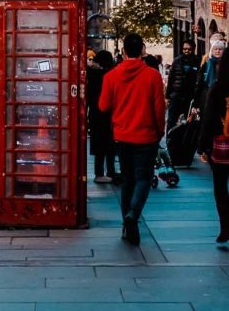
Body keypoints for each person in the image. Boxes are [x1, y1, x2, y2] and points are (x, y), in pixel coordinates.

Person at [99, 31, 165, 245]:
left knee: (128, 180)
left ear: (124, 51)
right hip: (146, 136)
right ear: (142, 50)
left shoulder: (111, 76)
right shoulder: (153, 75)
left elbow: (103, 106)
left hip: (122, 136)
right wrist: (159, 131)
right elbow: (159, 108)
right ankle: (133, 215)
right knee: (144, 179)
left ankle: (127, 224)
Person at [199, 46, 229, 243]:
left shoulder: (218, 87)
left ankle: (225, 226)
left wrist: (203, 146)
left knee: (220, 186)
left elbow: (208, 118)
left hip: (222, 143)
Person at [86, 49, 118, 183]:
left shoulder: (91, 74)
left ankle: (99, 173)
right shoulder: (110, 74)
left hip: (95, 114)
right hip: (109, 114)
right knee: (110, 146)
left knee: (99, 147)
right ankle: (111, 171)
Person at [165, 38, 200, 132]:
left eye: (189, 49)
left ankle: (185, 143)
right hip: (176, 95)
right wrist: (167, 97)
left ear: (193, 49)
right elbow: (171, 79)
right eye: (184, 49)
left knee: (188, 121)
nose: (186, 51)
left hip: (190, 96)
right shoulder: (176, 61)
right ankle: (170, 142)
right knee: (171, 120)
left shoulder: (198, 61)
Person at [195, 38, 226, 113]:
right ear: (212, 51)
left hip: (222, 98)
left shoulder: (226, 65)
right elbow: (199, 84)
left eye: (220, 49)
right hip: (207, 97)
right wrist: (195, 104)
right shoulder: (206, 64)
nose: (218, 51)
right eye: (215, 49)